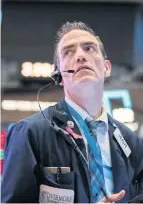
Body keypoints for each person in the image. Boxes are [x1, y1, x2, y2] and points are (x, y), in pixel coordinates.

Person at [1, 21, 143, 203]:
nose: (81, 56)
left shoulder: (130, 142)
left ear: (107, 68)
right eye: (68, 52)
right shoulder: (30, 133)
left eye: (89, 48)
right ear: (58, 76)